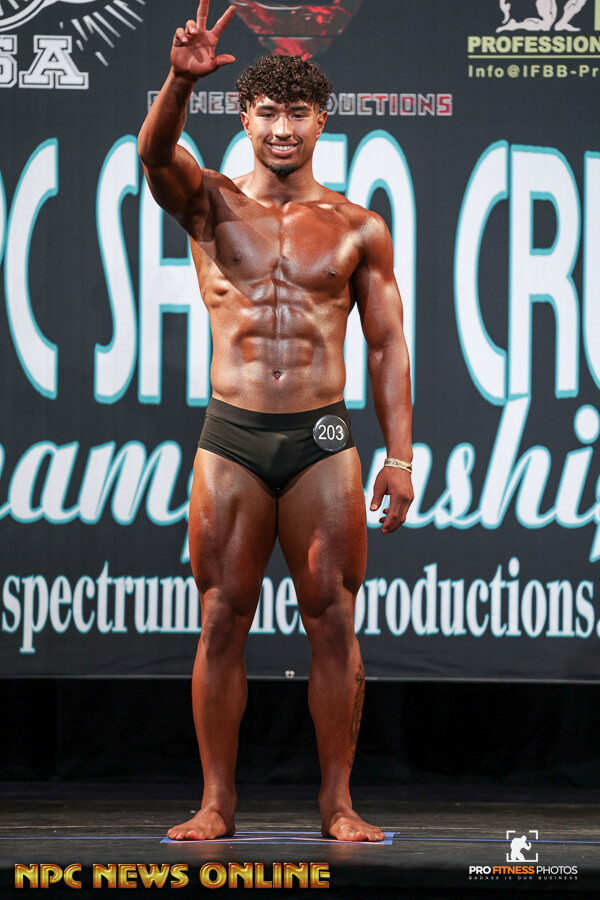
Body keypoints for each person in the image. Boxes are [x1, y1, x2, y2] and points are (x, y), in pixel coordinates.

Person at [137, 0, 413, 843]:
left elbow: (387, 345)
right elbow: (153, 155)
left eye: (297, 113)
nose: (282, 128)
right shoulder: (209, 203)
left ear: (322, 120)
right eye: (266, 112)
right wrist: (179, 83)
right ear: (243, 117)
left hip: (323, 438)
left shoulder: (359, 226)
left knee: (332, 615)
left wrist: (400, 459)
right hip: (233, 436)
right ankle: (216, 801)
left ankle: (339, 803)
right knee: (222, 614)